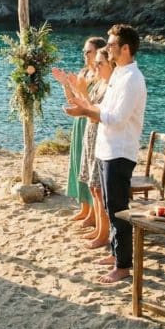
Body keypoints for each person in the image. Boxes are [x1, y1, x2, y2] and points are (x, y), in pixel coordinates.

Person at [64, 24, 147, 283]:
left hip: (120, 152)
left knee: (118, 209)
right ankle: (115, 253)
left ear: (125, 48)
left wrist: (86, 112)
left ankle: (123, 265)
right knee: (111, 207)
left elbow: (117, 118)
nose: (107, 48)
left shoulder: (132, 79)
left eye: (111, 45)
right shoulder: (119, 75)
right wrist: (86, 105)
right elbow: (104, 108)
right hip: (106, 149)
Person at [53, 38, 101, 226]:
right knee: (78, 163)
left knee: (90, 167)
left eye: (88, 51)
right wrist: (66, 83)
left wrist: (79, 91)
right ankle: (84, 208)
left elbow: (90, 102)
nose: (85, 54)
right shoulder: (83, 73)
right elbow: (73, 99)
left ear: (98, 53)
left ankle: (93, 213)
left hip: (91, 121)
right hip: (79, 123)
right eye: (84, 51)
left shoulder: (100, 75)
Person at [78, 47, 115, 249]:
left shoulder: (112, 86)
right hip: (93, 136)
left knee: (99, 189)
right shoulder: (101, 84)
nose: (96, 66)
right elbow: (88, 106)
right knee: (94, 187)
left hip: (102, 139)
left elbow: (94, 110)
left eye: (101, 63)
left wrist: (82, 93)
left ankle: (103, 234)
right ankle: (99, 230)